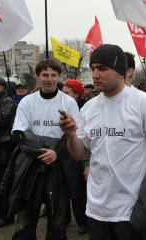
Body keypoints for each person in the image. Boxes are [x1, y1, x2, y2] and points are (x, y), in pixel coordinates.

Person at [59, 44, 146, 240]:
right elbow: (78, 153)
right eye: (93, 68)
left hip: (133, 208)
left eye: (102, 68)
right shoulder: (89, 108)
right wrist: (70, 136)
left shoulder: (144, 103)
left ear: (121, 72)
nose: (95, 74)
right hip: (96, 208)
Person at [10, 59, 81, 240]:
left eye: (53, 75)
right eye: (45, 75)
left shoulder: (69, 102)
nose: (49, 79)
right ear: (38, 76)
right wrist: (43, 151)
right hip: (30, 165)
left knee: (57, 222)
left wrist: (56, 152)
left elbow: (73, 134)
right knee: (25, 221)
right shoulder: (27, 101)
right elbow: (18, 134)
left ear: (59, 77)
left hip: (59, 165)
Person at [62, 79, 89, 234]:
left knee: (79, 191)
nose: (63, 96)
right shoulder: (61, 109)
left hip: (80, 157)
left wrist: (86, 163)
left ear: (76, 95)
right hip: (65, 156)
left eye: (67, 93)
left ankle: (84, 221)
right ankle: (67, 218)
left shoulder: (84, 110)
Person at [0, 76, 15, 228]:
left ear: (0, 87)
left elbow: (1, 120)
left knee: (3, 184)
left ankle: (6, 215)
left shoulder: (6, 101)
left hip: (2, 150)